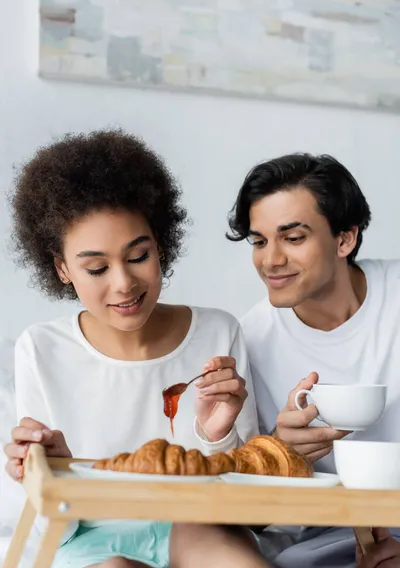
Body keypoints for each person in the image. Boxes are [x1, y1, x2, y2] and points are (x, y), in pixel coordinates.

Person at [3, 129, 267, 568]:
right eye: (96, 267)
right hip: (90, 542)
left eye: (138, 256)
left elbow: (249, 507)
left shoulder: (218, 332)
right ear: (63, 268)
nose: (123, 283)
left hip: (198, 528)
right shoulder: (41, 349)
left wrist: (216, 434)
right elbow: (56, 520)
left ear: (160, 245)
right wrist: (51, 473)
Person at [228, 153, 400, 568]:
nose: (271, 260)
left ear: (345, 239)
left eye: (293, 237)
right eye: (259, 241)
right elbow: (252, 515)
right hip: (323, 539)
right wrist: (282, 452)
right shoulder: (248, 342)